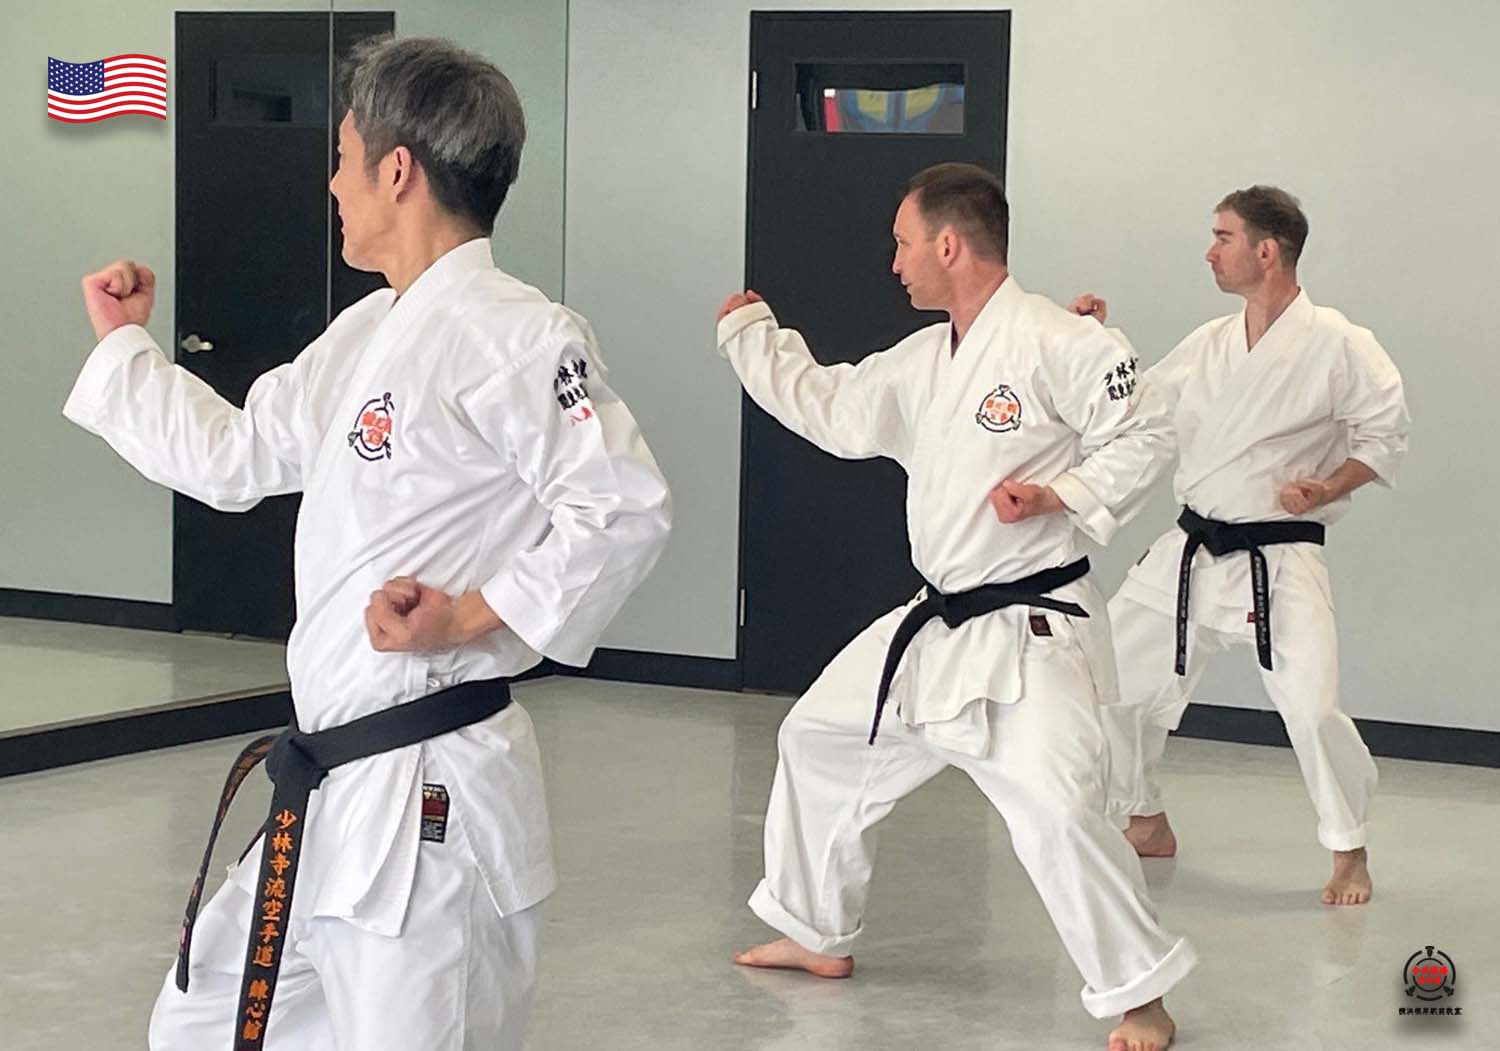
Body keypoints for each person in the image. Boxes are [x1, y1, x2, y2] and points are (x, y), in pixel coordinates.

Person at [65, 36, 671, 1049]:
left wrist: (468, 615)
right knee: (201, 1022)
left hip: (431, 795)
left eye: (343, 157)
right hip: (334, 785)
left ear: (397, 170)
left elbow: (625, 507)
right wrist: (124, 342)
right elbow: (238, 454)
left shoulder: (516, 332)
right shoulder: (368, 332)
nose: (333, 183)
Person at [717, 162, 1194, 1051]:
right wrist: (753, 338)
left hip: (1032, 625)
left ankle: (1141, 994)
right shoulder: (922, 359)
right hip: (937, 620)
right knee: (819, 736)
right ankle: (815, 928)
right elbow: (835, 407)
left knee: (1055, 811)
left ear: (947, 245)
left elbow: (1148, 426)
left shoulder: (1053, 338)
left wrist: (1062, 492)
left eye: (903, 243)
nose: (894, 263)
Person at [1072, 185, 1409, 906]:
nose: (1210, 252)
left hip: (1279, 557)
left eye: (1222, 237)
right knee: (1109, 679)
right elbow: (1139, 405)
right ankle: (1143, 815)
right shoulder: (1211, 343)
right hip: (1191, 551)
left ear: (1267, 251)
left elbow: (1383, 437)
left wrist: (1326, 486)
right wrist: (1094, 345)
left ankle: (1348, 847)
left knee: (1313, 710)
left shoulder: (1340, 344)